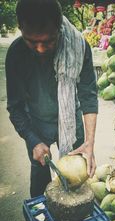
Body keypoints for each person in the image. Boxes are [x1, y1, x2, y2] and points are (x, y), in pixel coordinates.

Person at [5, 0, 98, 197]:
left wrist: (89, 143)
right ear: (20, 28)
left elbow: (88, 96)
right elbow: (15, 108)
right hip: (36, 125)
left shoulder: (79, 47)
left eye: (48, 41)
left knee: (78, 184)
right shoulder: (16, 54)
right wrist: (33, 141)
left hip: (72, 122)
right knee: (40, 186)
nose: (39, 49)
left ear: (59, 28)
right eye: (31, 41)